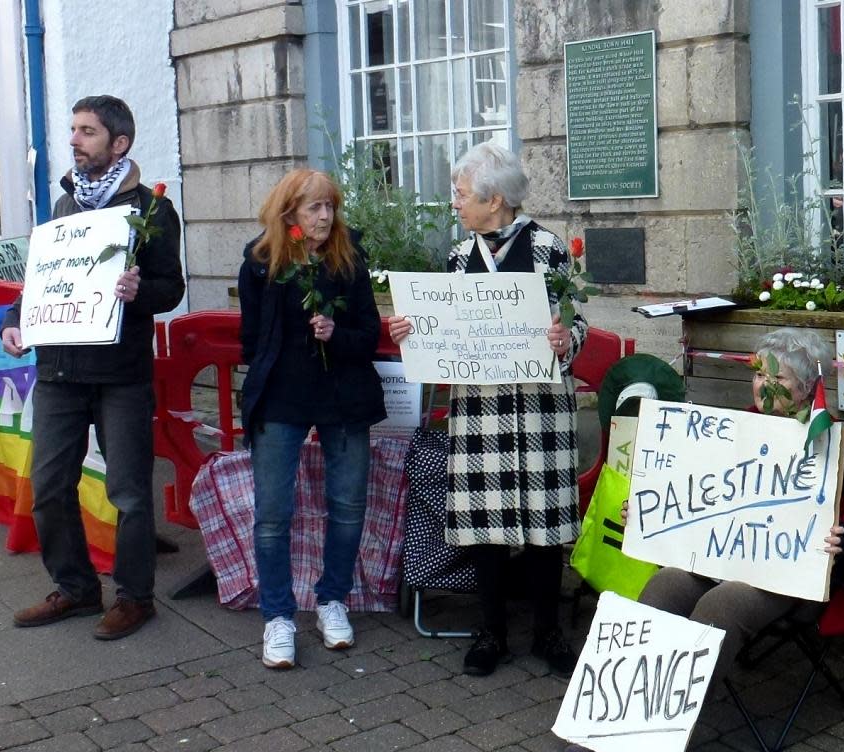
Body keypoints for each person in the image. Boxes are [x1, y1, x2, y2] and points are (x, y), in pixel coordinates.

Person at [563, 328, 844, 752]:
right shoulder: (734, 432)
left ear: (804, 387)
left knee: (720, 608)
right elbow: (688, 493)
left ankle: (660, 745)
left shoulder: (838, 446)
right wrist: (649, 509)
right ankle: (609, 726)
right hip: (719, 555)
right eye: (759, 375)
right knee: (664, 589)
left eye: (776, 377)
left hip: (788, 576)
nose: (763, 385)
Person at [389, 142, 587, 678]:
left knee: (545, 527)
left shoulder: (548, 249)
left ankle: (548, 631)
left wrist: (566, 338)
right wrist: (411, 333)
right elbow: (440, 330)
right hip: (479, 410)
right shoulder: (458, 258)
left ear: (494, 199)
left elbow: (580, 321)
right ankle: (490, 631)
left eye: (460, 194)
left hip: (540, 409)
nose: (455, 204)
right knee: (485, 524)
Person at [3, 95, 184, 639]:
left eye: (87, 132)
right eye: (74, 130)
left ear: (119, 143)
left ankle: (135, 598)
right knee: (49, 486)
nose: (75, 141)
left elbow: (171, 289)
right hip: (59, 370)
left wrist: (139, 290)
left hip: (120, 375)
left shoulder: (151, 211)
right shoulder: (64, 207)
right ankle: (77, 589)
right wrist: (16, 319)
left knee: (128, 492)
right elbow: (43, 279)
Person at [238, 168, 385, 669]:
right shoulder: (262, 261)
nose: (325, 217)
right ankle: (278, 616)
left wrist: (333, 335)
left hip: (343, 395)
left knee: (347, 504)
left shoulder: (349, 258)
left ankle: (332, 600)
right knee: (273, 512)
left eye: (330, 207)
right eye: (314, 208)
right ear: (290, 214)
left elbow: (369, 334)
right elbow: (250, 341)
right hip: (282, 396)